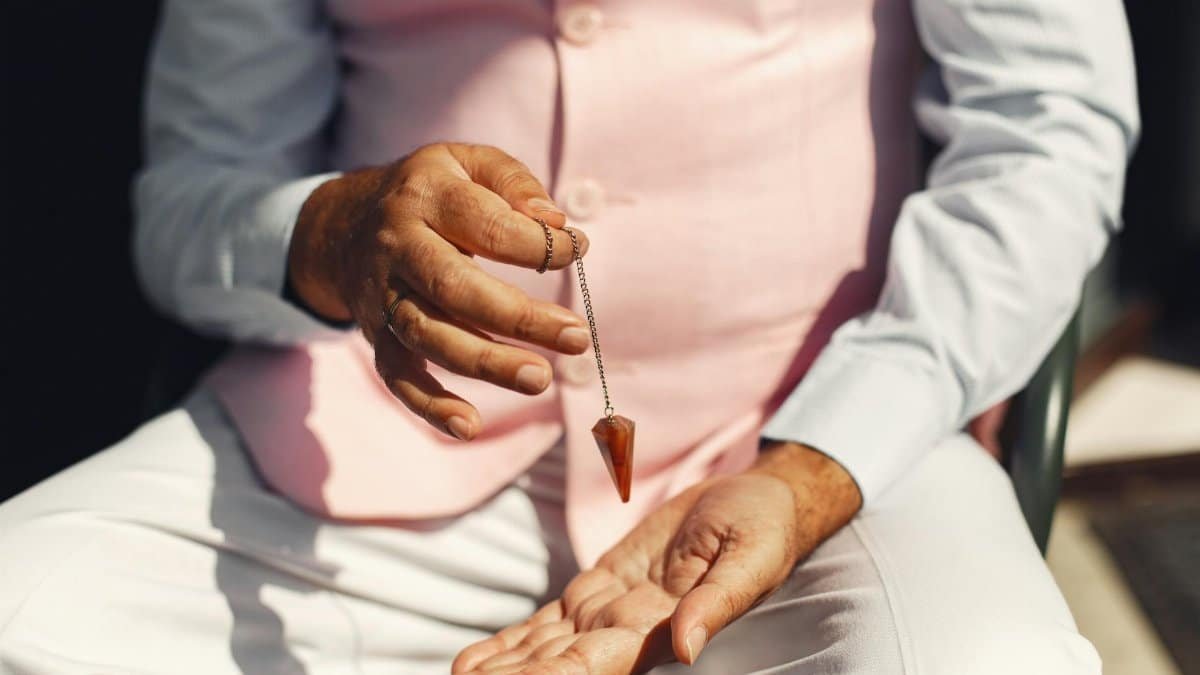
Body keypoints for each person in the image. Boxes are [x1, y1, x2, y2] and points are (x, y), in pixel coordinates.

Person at [0, 0, 1138, 673]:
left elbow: (1048, 132)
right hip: (350, 450)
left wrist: (819, 465)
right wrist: (336, 232)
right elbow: (190, 202)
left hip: (827, 441)